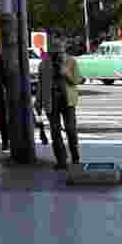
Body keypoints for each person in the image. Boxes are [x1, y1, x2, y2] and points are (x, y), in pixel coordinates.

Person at [37, 38, 83, 168]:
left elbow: (78, 79)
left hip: (68, 100)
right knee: (55, 131)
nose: (56, 56)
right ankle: (61, 160)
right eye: (53, 53)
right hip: (51, 99)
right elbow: (41, 85)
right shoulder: (44, 64)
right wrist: (38, 102)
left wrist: (66, 72)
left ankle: (75, 157)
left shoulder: (71, 61)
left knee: (70, 129)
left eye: (59, 53)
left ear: (63, 52)